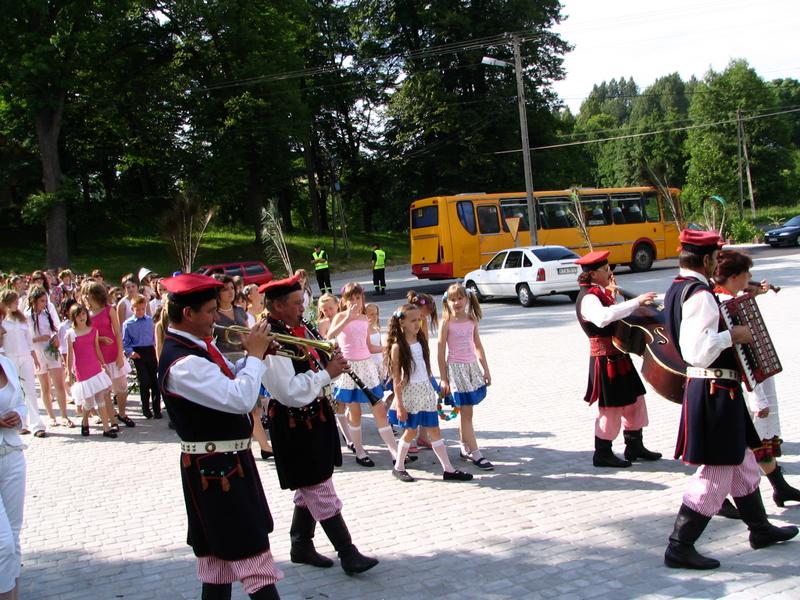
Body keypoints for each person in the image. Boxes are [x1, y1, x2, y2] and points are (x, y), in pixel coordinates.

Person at [662, 229, 797, 570]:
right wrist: (732, 335)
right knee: (717, 471)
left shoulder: (679, 287)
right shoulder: (700, 295)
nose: (716, 264)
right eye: (715, 258)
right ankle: (680, 545)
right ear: (707, 259)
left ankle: (760, 529)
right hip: (714, 390)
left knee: (743, 462)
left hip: (717, 389)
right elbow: (697, 350)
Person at [158, 273, 282, 600]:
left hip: (223, 465)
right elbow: (241, 399)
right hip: (218, 470)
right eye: (211, 311)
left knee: (218, 562)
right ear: (188, 314)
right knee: (251, 556)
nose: (216, 318)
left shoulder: (199, 347)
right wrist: (254, 357)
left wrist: (258, 356)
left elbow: (231, 378)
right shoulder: (184, 362)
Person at [259, 274, 378, 576]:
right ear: (277, 306)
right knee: (318, 485)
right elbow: (287, 391)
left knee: (311, 483)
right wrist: (328, 373)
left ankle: (300, 544)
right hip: (294, 422)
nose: (303, 308)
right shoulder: (271, 339)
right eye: (297, 303)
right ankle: (347, 552)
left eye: (302, 302)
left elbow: (313, 365)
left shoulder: (296, 327)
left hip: (313, 417)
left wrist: (328, 357)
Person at [712, 250, 800, 509]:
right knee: (737, 445)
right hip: (737, 383)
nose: (750, 277)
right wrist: (757, 395)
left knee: (756, 440)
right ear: (734, 276)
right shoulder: (721, 304)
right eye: (746, 273)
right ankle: (722, 498)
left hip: (749, 380)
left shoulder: (730, 299)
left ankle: (779, 487)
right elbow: (742, 355)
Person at [574, 250, 660, 468]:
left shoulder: (600, 293)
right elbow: (603, 318)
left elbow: (615, 312)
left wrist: (616, 296)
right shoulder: (588, 297)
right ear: (593, 274)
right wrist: (636, 302)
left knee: (635, 400)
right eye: (605, 269)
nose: (610, 272)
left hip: (618, 355)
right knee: (611, 408)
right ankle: (602, 453)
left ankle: (634, 446)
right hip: (605, 359)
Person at [386, 303, 473, 483]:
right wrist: (399, 405)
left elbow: (427, 370)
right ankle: (399, 467)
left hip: (425, 392)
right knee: (410, 432)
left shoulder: (421, 341)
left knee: (434, 430)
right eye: (413, 320)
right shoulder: (397, 347)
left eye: (419, 320)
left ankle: (448, 469)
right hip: (410, 394)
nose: (417, 324)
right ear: (402, 323)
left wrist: (437, 388)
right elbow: (396, 378)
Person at [327, 283, 398, 467]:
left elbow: (369, 346)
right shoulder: (340, 316)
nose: (355, 301)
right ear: (344, 300)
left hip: (367, 366)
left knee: (379, 409)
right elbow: (329, 336)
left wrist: (387, 348)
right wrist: (347, 318)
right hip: (349, 368)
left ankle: (395, 453)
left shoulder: (364, 318)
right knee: (355, 411)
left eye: (358, 298)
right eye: (350, 298)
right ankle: (359, 451)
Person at [439, 283, 492, 470]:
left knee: (467, 413)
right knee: (466, 413)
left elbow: (478, 345)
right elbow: (440, 351)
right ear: (447, 302)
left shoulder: (471, 320)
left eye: (460, 298)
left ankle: (464, 446)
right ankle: (476, 453)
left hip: (471, 369)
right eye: (452, 299)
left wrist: (486, 369)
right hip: (456, 370)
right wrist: (443, 378)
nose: (457, 302)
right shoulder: (446, 323)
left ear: (467, 299)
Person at [83, 281, 134, 430]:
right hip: (99, 356)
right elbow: (86, 335)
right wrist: (99, 339)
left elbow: (118, 332)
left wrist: (120, 354)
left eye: (88, 294)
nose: (85, 297)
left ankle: (122, 413)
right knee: (105, 390)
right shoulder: (86, 314)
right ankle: (112, 420)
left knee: (122, 387)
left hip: (113, 352)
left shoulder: (109, 309)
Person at [0, 353, 27, 600]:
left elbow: (20, 402)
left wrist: (19, 415)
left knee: (14, 536)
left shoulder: (6, 362)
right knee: (3, 544)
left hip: (12, 454)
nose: (5, 334)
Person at [0, 291, 46, 437]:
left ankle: (37, 425)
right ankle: (21, 424)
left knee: (30, 390)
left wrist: (35, 358)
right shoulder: (2, 320)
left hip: (25, 357)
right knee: (15, 391)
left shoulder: (22, 319)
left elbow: (29, 340)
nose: (17, 304)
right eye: (14, 301)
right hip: (9, 358)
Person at [66, 304, 115, 438]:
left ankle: (106, 428)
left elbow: (97, 350)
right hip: (82, 369)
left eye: (83, 314)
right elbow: (70, 355)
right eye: (78, 315)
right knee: (88, 401)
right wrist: (68, 373)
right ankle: (85, 421)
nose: (82, 317)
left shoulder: (93, 331)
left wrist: (103, 364)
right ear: (74, 318)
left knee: (100, 398)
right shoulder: (71, 334)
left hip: (95, 367)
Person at [26, 286, 72, 428]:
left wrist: (55, 337)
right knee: (45, 386)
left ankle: (64, 416)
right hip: (38, 353)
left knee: (59, 384)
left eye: (45, 301)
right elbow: (25, 338)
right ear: (34, 301)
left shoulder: (47, 314)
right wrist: (39, 339)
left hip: (51, 351)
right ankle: (51, 416)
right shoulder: (27, 316)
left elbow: (55, 329)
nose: (44, 304)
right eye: (42, 301)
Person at [122, 295, 161, 419]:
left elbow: (155, 338)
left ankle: (157, 409)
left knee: (155, 381)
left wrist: (157, 350)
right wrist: (130, 352)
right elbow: (125, 342)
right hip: (138, 353)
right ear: (132, 309)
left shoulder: (150, 321)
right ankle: (145, 408)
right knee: (144, 381)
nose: (140, 311)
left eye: (143, 309)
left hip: (150, 351)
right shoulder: (128, 324)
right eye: (137, 309)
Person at [213, 276, 249, 360]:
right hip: (223, 357)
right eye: (225, 289)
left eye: (232, 288)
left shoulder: (240, 310)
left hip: (242, 355)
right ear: (218, 293)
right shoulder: (213, 314)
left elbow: (248, 334)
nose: (231, 292)